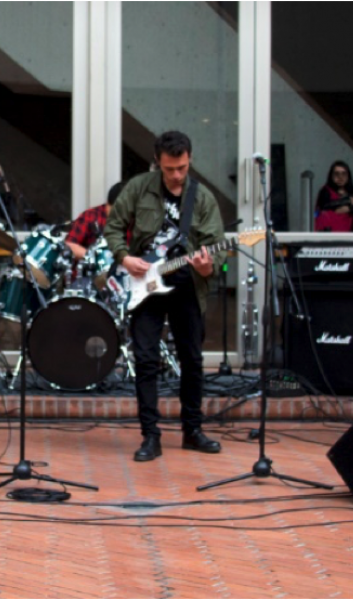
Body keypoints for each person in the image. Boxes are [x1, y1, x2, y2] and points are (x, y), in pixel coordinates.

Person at [104, 130, 225, 461]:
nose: (176, 175)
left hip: (187, 285)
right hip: (147, 284)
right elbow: (112, 227)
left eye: (182, 168)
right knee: (145, 360)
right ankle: (150, 436)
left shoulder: (203, 198)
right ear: (157, 162)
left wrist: (207, 267)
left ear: (189, 161)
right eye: (170, 169)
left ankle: (193, 430)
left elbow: (217, 245)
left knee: (192, 360)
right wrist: (125, 258)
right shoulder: (139, 187)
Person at [65, 181, 126, 261]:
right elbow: (69, 245)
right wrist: (92, 258)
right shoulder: (91, 216)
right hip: (91, 270)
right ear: (108, 204)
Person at [314, 160, 353, 232]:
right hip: (329, 234)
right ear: (331, 176)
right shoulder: (325, 190)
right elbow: (323, 206)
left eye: (344, 174)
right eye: (336, 174)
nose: (340, 177)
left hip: (349, 235)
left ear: (348, 176)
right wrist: (348, 201)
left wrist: (350, 209)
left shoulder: (352, 192)